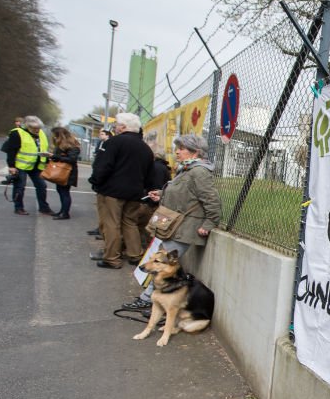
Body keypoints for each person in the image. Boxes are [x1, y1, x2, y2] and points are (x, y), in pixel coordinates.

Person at [123, 134, 221, 310]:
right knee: (163, 266)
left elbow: (211, 200)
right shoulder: (187, 169)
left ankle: (147, 300)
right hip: (175, 226)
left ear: (195, 152)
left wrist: (209, 223)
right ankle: (157, 302)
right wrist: (161, 194)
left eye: (181, 149)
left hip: (184, 229)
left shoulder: (199, 172)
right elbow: (186, 195)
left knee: (161, 266)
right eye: (178, 148)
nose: (177, 152)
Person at [88, 113, 153, 269]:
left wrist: (95, 182)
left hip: (112, 191)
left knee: (111, 224)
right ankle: (135, 255)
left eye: (116, 124)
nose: (115, 127)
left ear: (123, 127)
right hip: (135, 193)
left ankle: (112, 258)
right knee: (130, 223)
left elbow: (103, 166)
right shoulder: (146, 148)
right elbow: (149, 174)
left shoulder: (113, 143)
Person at [2, 115, 53, 216]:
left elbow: (43, 148)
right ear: (26, 126)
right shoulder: (17, 133)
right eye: (34, 128)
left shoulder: (41, 133)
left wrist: (47, 159)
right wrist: (11, 166)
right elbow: (11, 151)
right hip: (21, 165)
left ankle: (44, 208)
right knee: (19, 187)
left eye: (38, 128)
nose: (37, 130)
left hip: (37, 166)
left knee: (42, 186)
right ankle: (18, 207)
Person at [48, 127, 81, 220]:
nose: (53, 137)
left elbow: (72, 159)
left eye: (55, 135)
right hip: (63, 171)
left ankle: (65, 213)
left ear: (59, 135)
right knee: (61, 191)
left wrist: (55, 156)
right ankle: (62, 211)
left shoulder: (72, 145)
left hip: (68, 172)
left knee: (64, 192)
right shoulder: (63, 144)